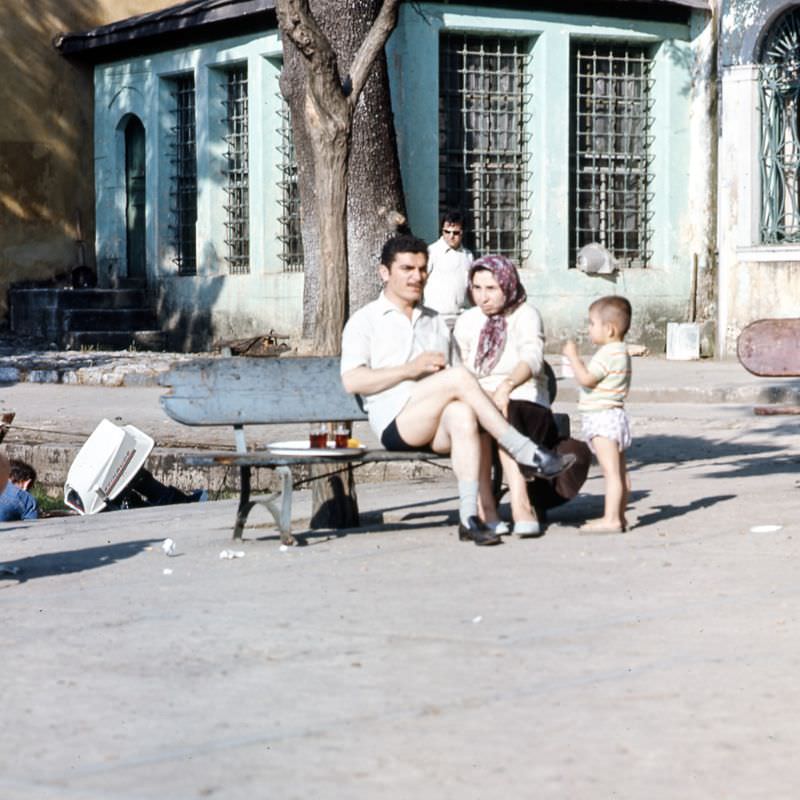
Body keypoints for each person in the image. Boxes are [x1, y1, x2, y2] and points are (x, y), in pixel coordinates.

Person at [340, 233, 575, 547]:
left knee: (463, 412)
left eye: (423, 269)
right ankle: (526, 451)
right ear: (385, 272)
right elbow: (352, 381)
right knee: (460, 379)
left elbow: (457, 378)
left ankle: (469, 518)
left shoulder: (435, 321)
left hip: (438, 425)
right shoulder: (365, 320)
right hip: (396, 420)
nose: (417, 277)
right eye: (407, 269)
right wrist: (410, 370)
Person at [454, 255, 591, 537]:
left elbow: (532, 358)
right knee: (477, 414)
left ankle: (520, 503)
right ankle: (487, 508)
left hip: (523, 396)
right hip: (481, 396)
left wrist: (504, 387)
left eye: (491, 288)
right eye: (477, 288)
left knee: (503, 410)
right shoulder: (467, 321)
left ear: (508, 284)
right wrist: (484, 394)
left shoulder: (525, 314)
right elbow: (461, 367)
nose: (483, 297)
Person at [562, 295, 633, 533]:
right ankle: (619, 516)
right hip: (614, 416)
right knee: (620, 471)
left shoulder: (607, 353)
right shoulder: (620, 351)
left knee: (610, 472)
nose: (589, 329)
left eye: (592, 324)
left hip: (602, 418)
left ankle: (611, 519)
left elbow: (586, 379)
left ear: (610, 329)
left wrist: (573, 357)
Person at [424, 209, 473, 327]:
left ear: (462, 232)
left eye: (456, 233)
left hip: (462, 319)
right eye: (447, 232)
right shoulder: (432, 252)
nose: (451, 236)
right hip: (436, 318)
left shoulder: (468, 255)